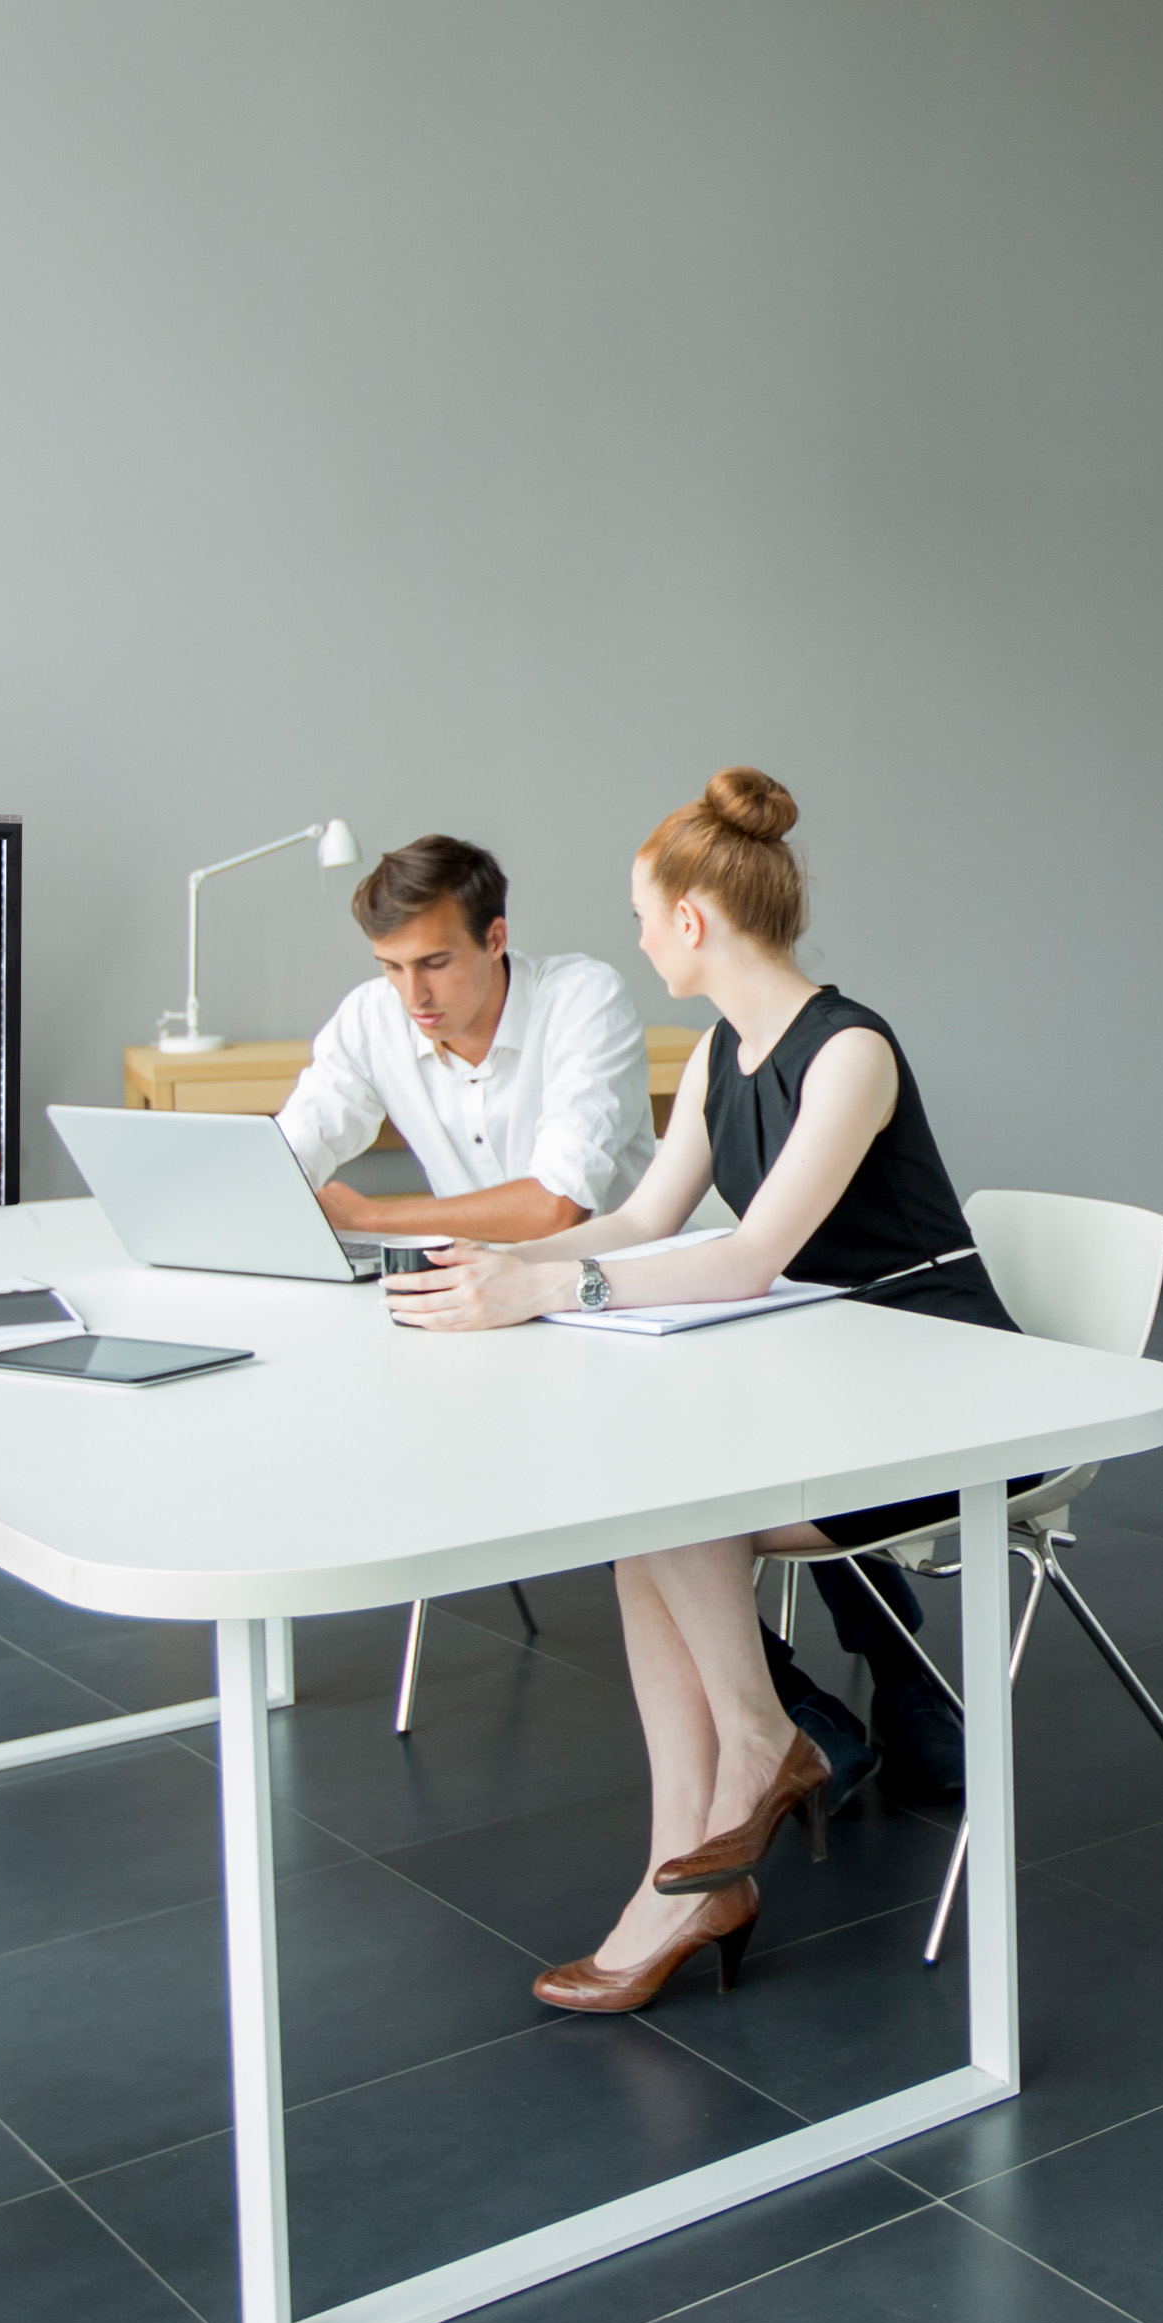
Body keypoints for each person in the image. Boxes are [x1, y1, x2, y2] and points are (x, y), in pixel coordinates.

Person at [389, 767, 1016, 2013]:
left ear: (690, 918)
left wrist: (548, 1294)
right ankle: (700, 1848)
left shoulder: (851, 1051)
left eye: (638, 914)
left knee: (671, 1508)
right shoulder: (724, 1050)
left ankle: (744, 1774)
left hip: (947, 1381)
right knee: (650, 1515)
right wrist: (512, 1262)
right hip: (834, 1364)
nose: (631, 938)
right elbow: (636, 1216)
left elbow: (746, 1256)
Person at [277, 834, 657, 1243]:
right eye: (391, 967)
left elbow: (557, 1206)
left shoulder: (584, 1000)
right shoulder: (370, 1018)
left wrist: (370, 1218)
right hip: (472, 1286)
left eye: (434, 963)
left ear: (495, 940)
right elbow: (292, 1151)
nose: (413, 996)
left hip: (614, 1285)